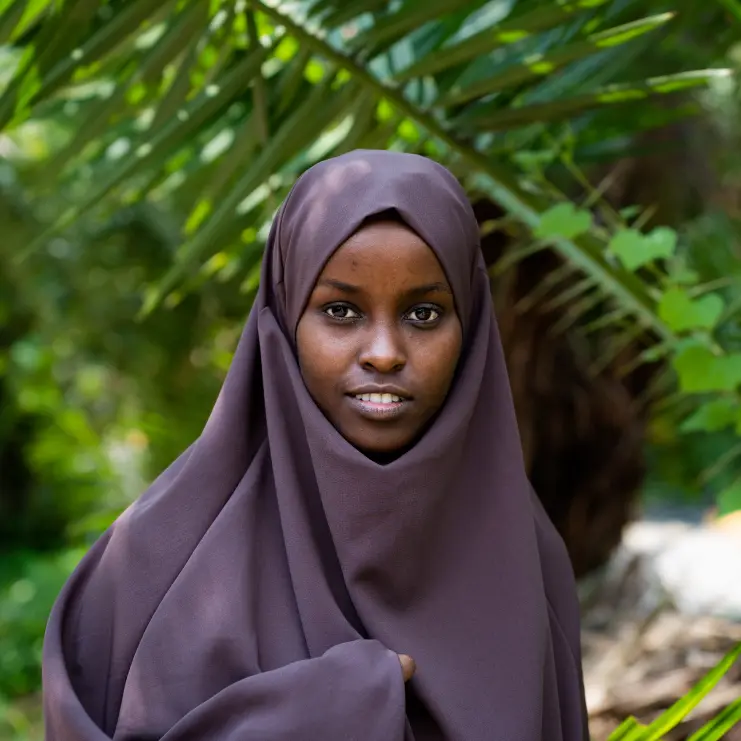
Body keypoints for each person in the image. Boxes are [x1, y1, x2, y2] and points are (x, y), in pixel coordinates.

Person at [42, 150, 588, 740]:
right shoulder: (147, 566)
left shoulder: (529, 564)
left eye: (424, 313)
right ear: (282, 322)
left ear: (472, 329)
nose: (384, 352)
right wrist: (319, 715)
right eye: (341, 310)